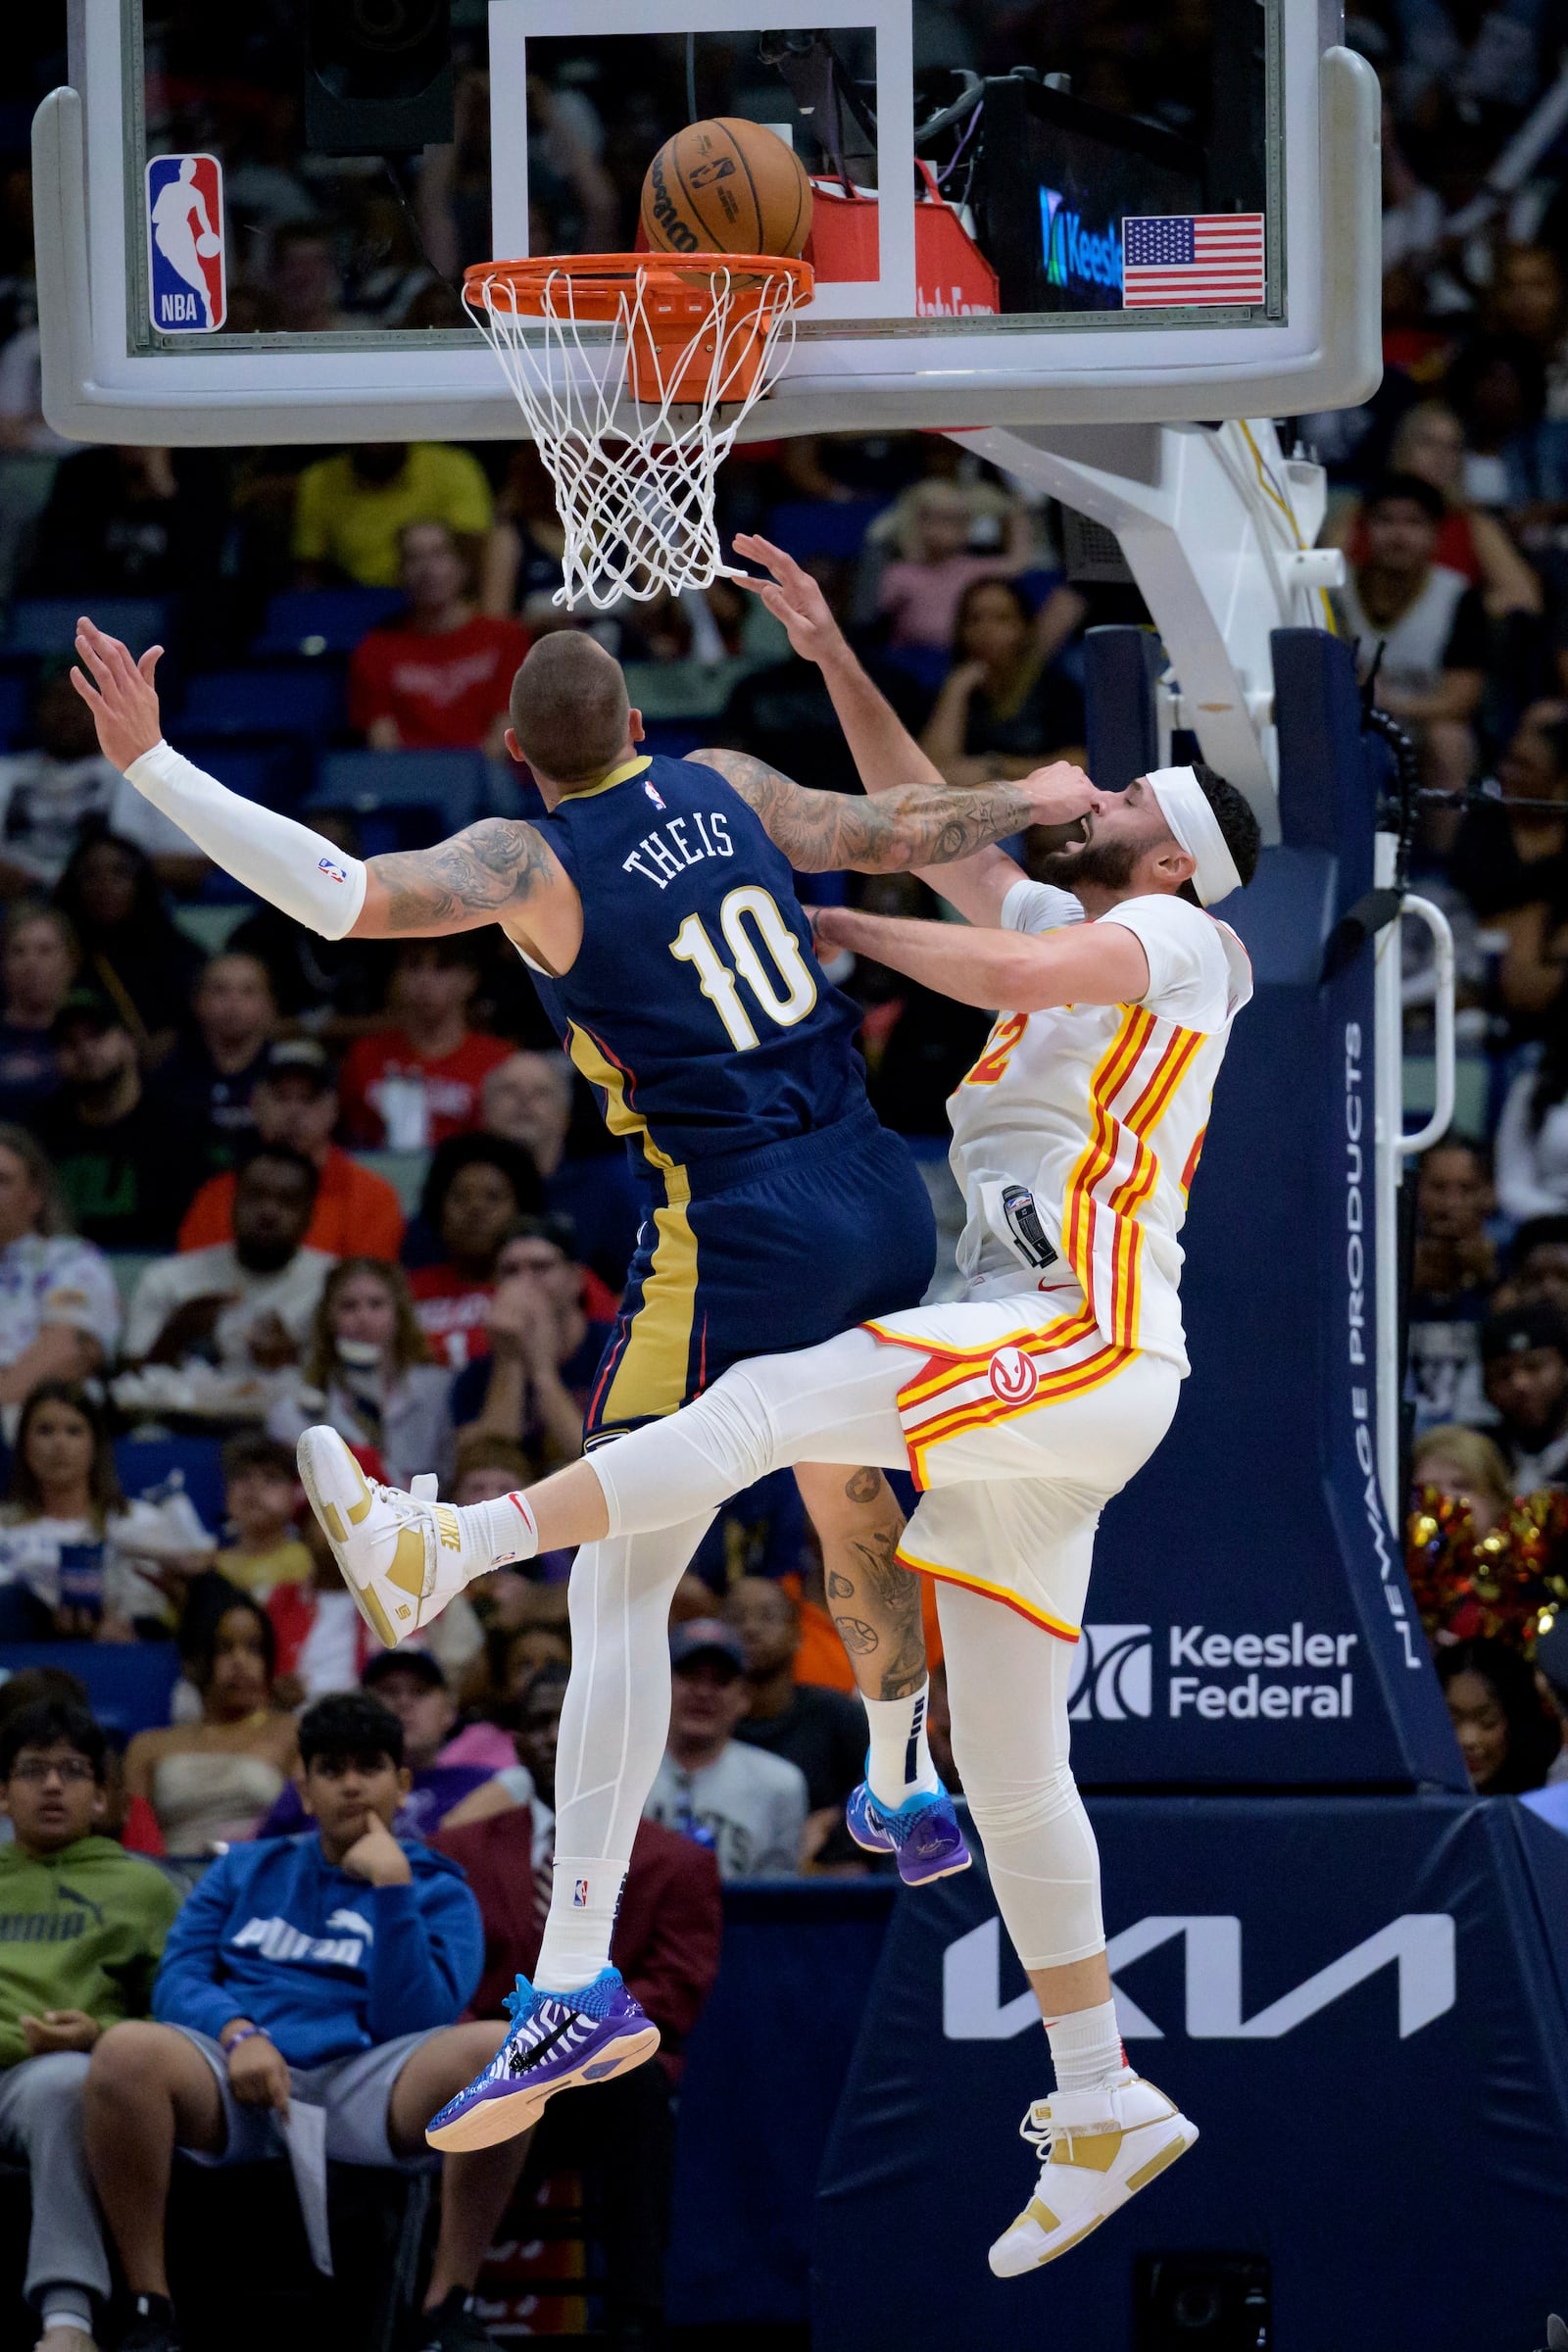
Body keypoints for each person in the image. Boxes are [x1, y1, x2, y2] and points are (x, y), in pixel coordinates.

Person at [308, 540, 1260, 2272]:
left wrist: (821, 922)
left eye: (1126, 789)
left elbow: (1018, 974)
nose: (1101, 791)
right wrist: (828, 647)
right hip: (1036, 1363)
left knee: (758, 1408)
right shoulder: (1087, 903)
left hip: (1089, 1334)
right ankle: (1106, 2089)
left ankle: (455, 1542)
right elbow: (931, 820)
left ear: (1176, 849)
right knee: (1025, 1765)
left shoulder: (1184, 943)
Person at [74, 586, 1089, 2123]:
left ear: (513, 753)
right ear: (636, 726)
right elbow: (892, 828)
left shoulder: (526, 861)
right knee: (845, 1491)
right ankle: (899, 1776)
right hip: (882, 1188)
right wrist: (1042, 795)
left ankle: (569, 1982)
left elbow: (343, 896)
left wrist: (154, 765)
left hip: (734, 1219)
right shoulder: (728, 781)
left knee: (617, 1576)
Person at [84, 1690, 526, 2352]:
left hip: (367, 2079)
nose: (352, 1784)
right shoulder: (243, 1869)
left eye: (369, 1767)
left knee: (504, 2051)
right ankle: (151, 2307)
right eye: (332, 1768)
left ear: (401, 1784)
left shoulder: (439, 1888)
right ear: (306, 1787)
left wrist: (393, 1891)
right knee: (125, 2052)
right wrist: (240, 2034)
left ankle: (449, 2306)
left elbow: (416, 2021)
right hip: (239, 2079)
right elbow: (177, 1977)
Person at [435, 1662, 722, 2350]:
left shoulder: (677, 1863)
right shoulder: (457, 1850)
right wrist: (493, 2040)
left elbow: (674, 1996)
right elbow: (435, 1979)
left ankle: (632, 2321)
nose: (558, 1738)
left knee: (638, 2081)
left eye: (578, 1723)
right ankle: (433, 2312)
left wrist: (560, 2033)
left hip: (597, 2085)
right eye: (540, 1723)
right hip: (481, 2072)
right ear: (516, 1741)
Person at [0, 1697, 181, 2352]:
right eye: (33, 1770)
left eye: (73, 1771)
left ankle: (68, 2320)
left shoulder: (145, 1888)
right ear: (1, 1793)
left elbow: (176, 2015)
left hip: (49, 2073)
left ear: (105, 1797)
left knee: (64, 2085)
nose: (52, 1785)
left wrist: (98, 2033)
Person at [121, 1144, 333, 1405]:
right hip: (183, 1429)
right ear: (232, 1202)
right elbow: (129, 1381)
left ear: (310, 1216)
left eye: (287, 1201)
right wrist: (176, 1334)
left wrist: (293, 1358)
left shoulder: (335, 1286)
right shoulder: (168, 1278)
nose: (268, 1211)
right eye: (255, 1196)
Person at [177, 1036, 405, 1261]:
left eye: (308, 1099)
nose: (294, 1113)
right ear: (255, 1104)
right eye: (281, 1097)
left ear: (333, 1108)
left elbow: (367, 1288)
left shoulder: (373, 1198)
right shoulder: (216, 1199)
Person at [1335, 472, 1489, 795]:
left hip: (1420, 733)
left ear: (1437, 534)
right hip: (1347, 724)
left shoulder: (1460, 597)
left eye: (1414, 523)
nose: (1398, 535)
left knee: (1449, 739)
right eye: (1385, 520)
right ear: (1364, 528)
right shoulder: (1333, 588)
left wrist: (1388, 702)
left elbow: (1460, 700)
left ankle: (1444, 848)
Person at [0, 1379, 179, 1640]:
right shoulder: (4, 1529)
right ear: (24, 1446)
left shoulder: (140, 1523)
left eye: (74, 1431)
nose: (59, 1443)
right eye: (45, 1431)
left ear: (95, 1446)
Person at [0, 673, 204, 898]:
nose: (67, 712)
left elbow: (194, 864)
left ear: (109, 707)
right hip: (21, 910)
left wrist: (113, 874)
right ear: (34, 710)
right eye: (56, 699)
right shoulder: (5, 772)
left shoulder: (147, 772)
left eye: (81, 699)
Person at [123, 1595, 298, 1853]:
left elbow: (305, 1830)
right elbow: (137, 1845)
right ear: (193, 1662)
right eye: (224, 1648)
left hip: (263, 1879)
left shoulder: (293, 1734)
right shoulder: (147, 1747)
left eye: (254, 1648)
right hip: (173, 1883)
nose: (240, 1661)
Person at [268, 1255, 455, 1490]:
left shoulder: (440, 1390)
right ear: (328, 1319)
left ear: (399, 1315)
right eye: (349, 1306)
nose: (363, 1318)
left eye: (376, 1304)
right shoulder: (293, 1410)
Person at [31, 990, 198, 1251]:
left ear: (128, 1042)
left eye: (96, 1036)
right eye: (69, 1043)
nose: (85, 1051)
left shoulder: (178, 1122)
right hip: (65, 1271)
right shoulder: (41, 1128)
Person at [644, 1618, 808, 1879]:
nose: (703, 1692)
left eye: (720, 1681)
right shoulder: (619, 1774)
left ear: (743, 1698)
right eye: (689, 1676)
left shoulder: (781, 1785)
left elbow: (779, 1900)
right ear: (661, 1684)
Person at [348, 519, 529, 756]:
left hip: (489, 775)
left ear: (462, 567)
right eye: (415, 558)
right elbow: (384, 745)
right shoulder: (375, 649)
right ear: (400, 573)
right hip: (411, 780)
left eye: (439, 554)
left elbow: (505, 734)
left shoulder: (506, 638)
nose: (427, 569)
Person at [723, 1575, 869, 1868]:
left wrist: (840, 1820)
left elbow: (887, 1792)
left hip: (822, 1883)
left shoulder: (838, 1715)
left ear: (797, 1634)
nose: (750, 1629)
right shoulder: (702, 1719)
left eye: (768, 1617)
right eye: (736, 1618)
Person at [451, 1217, 612, 1462]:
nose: (524, 1282)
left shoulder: (616, 1350)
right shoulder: (477, 1374)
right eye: (510, 1271)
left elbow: (603, 1463)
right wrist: (509, 1361)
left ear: (576, 1279)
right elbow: (490, 1467)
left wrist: (543, 1375)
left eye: (540, 1267)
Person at [478, 1049, 639, 1292]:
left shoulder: (610, 1188)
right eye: (509, 1090)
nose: (524, 1100)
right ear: (484, 1112)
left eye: (541, 1092)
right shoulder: (461, 1195)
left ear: (565, 1115)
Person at [339, 941, 513, 1151]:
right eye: (413, 965)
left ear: (470, 979)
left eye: (442, 967)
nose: (425, 981)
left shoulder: (499, 1061)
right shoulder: (363, 1056)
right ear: (397, 977)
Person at [52, 832, 204, 1071]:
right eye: (91, 874)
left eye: (120, 873)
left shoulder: (182, 955)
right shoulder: (57, 955)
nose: (105, 885)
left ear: (141, 882)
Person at [920, 576, 1084, 790]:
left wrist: (996, 768)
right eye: (975, 619)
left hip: (1037, 804)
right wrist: (956, 690)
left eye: (1002, 619)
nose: (986, 629)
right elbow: (931, 770)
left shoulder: (1053, 687)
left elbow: (1078, 763)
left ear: (1025, 629)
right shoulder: (946, 688)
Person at [0, 1124, 119, 1410]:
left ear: (35, 1196)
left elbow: (68, 1351)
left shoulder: (70, 1260)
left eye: (1, 1180)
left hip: (34, 1421)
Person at [405, 1137, 549, 1369]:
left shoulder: (554, 1282)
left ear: (522, 1209)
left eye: (493, 1197)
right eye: (460, 1197)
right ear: (437, 1210)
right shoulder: (405, 1292)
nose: (475, 1209)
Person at [292, 440, 495, 590]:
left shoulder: (454, 468)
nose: (376, 439)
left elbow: (474, 558)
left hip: (438, 597)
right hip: (354, 601)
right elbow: (309, 571)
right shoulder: (319, 480)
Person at [1406, 1139, 1496, 1432]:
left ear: (1488, 1194)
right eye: (1439, 1188)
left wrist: (1489, 1280)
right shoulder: (1385, 1264)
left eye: (1466, 1188)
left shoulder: (1512, 1267)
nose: (1451, 1203)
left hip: (1484, 1432)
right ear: (1416, 1191)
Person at [168, 953, 277, 1171]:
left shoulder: (289, 1073)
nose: (233, 1003)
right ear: (197, 1002)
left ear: (270, 1005)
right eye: (220, 990)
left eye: (248, 991)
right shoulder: (170, 1075)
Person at [1437, 1637, 1566, 1792]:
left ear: (1517, 1722)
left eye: (1488, 1721)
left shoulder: (1548, 1798)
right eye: (1451, 1721)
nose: (1467, 1739)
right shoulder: (1411, 1801)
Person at [1477, 1301, 1568, 1488]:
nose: (1519, 1384)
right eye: (1503, 1374)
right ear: (1486, 1387)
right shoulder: (1476, 1457)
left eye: (1534, 1367)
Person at [0, 905, 76, 1119]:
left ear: (70, 962)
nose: (31, 963)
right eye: (18, 951)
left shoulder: (97, 1034)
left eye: (45, 950)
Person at [213, 1432, 312, 1598]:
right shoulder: (213, 1567)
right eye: (242, 1476)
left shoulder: (310, 1565)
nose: (255, 1487)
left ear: (295, 1494)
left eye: (272, 1478)